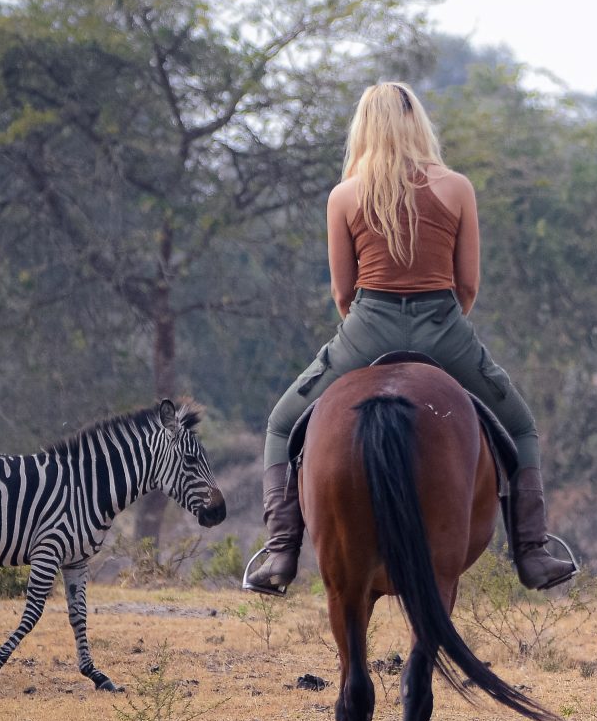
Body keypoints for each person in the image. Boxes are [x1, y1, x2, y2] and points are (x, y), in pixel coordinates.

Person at [246, 81, 577, 594]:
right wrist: (442, 328)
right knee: (521, 427)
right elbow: (467, 285)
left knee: (281, 423)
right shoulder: (456, 187)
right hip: (443, 327)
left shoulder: (345, 195)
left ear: (364, 128)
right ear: (417, 122)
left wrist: (368, 328)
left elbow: (342, 290)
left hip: (366, 327)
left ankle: (281, 552)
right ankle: (532, 551)